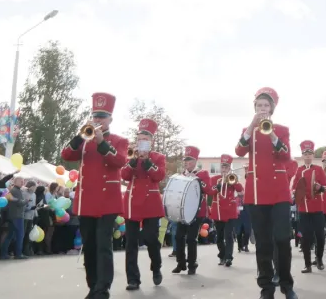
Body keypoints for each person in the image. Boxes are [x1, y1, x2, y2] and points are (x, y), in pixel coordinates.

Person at [61, 92, 128, 299]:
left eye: (102, 116)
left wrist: (101, 143)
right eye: (95, 116)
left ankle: (103, 288)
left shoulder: (119, 140)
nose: (98, 120)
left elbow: (119, 162)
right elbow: (66, 155)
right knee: (89, 246)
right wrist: (79, 136)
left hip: (107, 202)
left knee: (103, 246)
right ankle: (92, 286)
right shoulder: (84, 140)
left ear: (110, 119)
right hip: (86, 201)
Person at [235, 87, 296, 299]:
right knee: (262, 244)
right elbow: (239, 151)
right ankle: (266, 289)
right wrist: (251, 127)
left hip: (278, 192)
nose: (262, 109)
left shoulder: (281, 129)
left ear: (272, 109)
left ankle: (287, 285)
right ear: (255, 108)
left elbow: (286, 156)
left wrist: (272, 137)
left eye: (266, 105)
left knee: (281, 239)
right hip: (256, 192)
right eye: (259, 105)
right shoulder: (248, 130)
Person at [121, 118, 167, 290]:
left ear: (151, 140)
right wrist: (133, 161)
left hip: (151, 202)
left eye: (145, 138)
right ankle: (133, 279)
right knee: (131, 242)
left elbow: (158, 176)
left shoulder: (158, 157)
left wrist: (147, 160)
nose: (142, 141)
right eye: (140, 137)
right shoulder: (130, 154)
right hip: (133, 201)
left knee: (151, 238)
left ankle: (156, 267)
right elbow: (124, 175)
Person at [173, 146, 213, 275]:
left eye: (189, 159)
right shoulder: (182, 175)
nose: (186, 162)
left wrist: (197, 180)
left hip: (197, 211)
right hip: (183, 211)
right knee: (178, 236)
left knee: (191, 238)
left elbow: (209, 190)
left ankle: (192, 264)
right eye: (185, 159)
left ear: (195, 161)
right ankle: (180, 263)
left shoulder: (203, 174)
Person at [292, 140, 326, 273]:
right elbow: (294, 187)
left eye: (310, 153)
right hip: (303, 208)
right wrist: (296, 192)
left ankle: (319, 259)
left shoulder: (318, 169)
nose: (307, 156)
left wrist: (320, 187)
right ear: (302, 155)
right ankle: (307, 264)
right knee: (305, 237)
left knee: (320, 236)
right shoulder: (299, 170)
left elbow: (325, 187)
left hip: (317, 207)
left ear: (313, 155)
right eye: (305, 153)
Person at [210, 154, 243, 267]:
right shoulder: (215, 179)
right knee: (219, 236)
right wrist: (218, 186)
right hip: (218, 211)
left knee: (228, 235)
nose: (224, 169)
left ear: (229, 168)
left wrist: (233, 181)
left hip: (229, 210)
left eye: (226, 167)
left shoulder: (232, 178)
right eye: (222, 167)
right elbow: (210, 191)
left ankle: (229, 257)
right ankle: (222, 255)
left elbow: (240, 190)